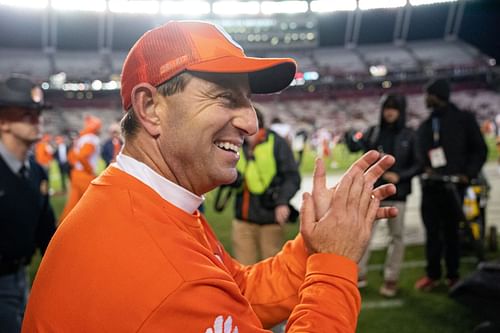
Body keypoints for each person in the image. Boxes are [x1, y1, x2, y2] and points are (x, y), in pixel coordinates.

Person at [22, 21, 398, 332]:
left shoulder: (144, 200)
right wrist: (333, 264)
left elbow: (239, 291)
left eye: (248, 101)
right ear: (150, 108)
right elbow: (191, 288)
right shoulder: (163, 265)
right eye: (224, 97)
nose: (251, 122)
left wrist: (311, 248)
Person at [414, 78, 487, 291]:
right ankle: (433, 274)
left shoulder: (464, 119)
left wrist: (468, 173)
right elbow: (420, 154)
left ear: (437, 96)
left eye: (428, 94)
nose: (425, 98)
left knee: (452, 231)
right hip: (431, 187)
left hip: (455, 187)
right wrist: (424, 166)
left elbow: (479, 150)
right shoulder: (426, 125)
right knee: (432, 232)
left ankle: (453, 274)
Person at [345, 93, 420, 297]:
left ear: (401, 111)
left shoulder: (410, 134)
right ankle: (359, 273)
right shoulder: (373, 132)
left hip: (399, 193)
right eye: (387, 107)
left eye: (394, 108)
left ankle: (391, 277)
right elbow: (357, 149)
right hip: (372, 193)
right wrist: (349, 135)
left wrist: (400, 175)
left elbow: (419, 164)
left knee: (396, 237)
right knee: (364, 234)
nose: (389, 112)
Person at [0, 75, 56, 332]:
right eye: (26, 114)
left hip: (21, 277)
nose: (37, 120)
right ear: (3, 122)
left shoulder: (37, 173)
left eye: (38, 113)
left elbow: (47, 235)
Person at [232, 107, 300, 265]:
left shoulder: (277, 143)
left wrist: (282, 201)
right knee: (243, 270)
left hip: (270, 218)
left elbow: (292, 176)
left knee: (272, 270)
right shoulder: (237, 143)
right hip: (243, 218)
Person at [58, 114, 101, 223]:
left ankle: (62, 227)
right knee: (95, 206)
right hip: (84, 175)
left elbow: (71, 157)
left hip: (75, 173)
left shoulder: (82, 137)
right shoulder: (91, 139)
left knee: (72, 205)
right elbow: (81, 156)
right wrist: (89, 170)